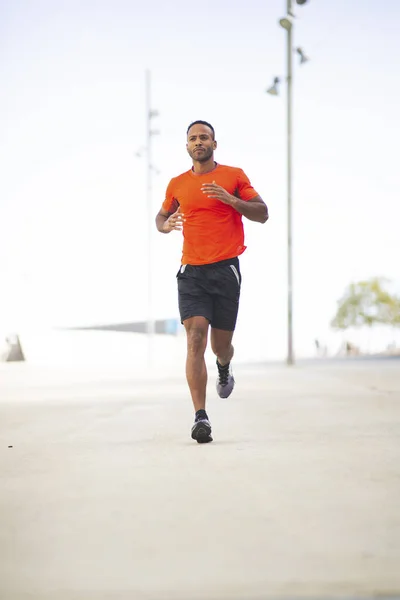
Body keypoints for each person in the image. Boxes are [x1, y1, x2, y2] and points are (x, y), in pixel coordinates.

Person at [155, 120, 268, 443]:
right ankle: (200, 417)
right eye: (193, 138)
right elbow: (160, 217)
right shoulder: (177, 183)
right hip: (191, 272)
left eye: (204, 137)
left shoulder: (234, 176)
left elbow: (262, 212)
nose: (198, 142)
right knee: (194, 338)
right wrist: (166, 226)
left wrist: (231, 200)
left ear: (214, 144)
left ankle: (223, 364)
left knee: (220, 346)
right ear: (187, 147)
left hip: (225, 271)